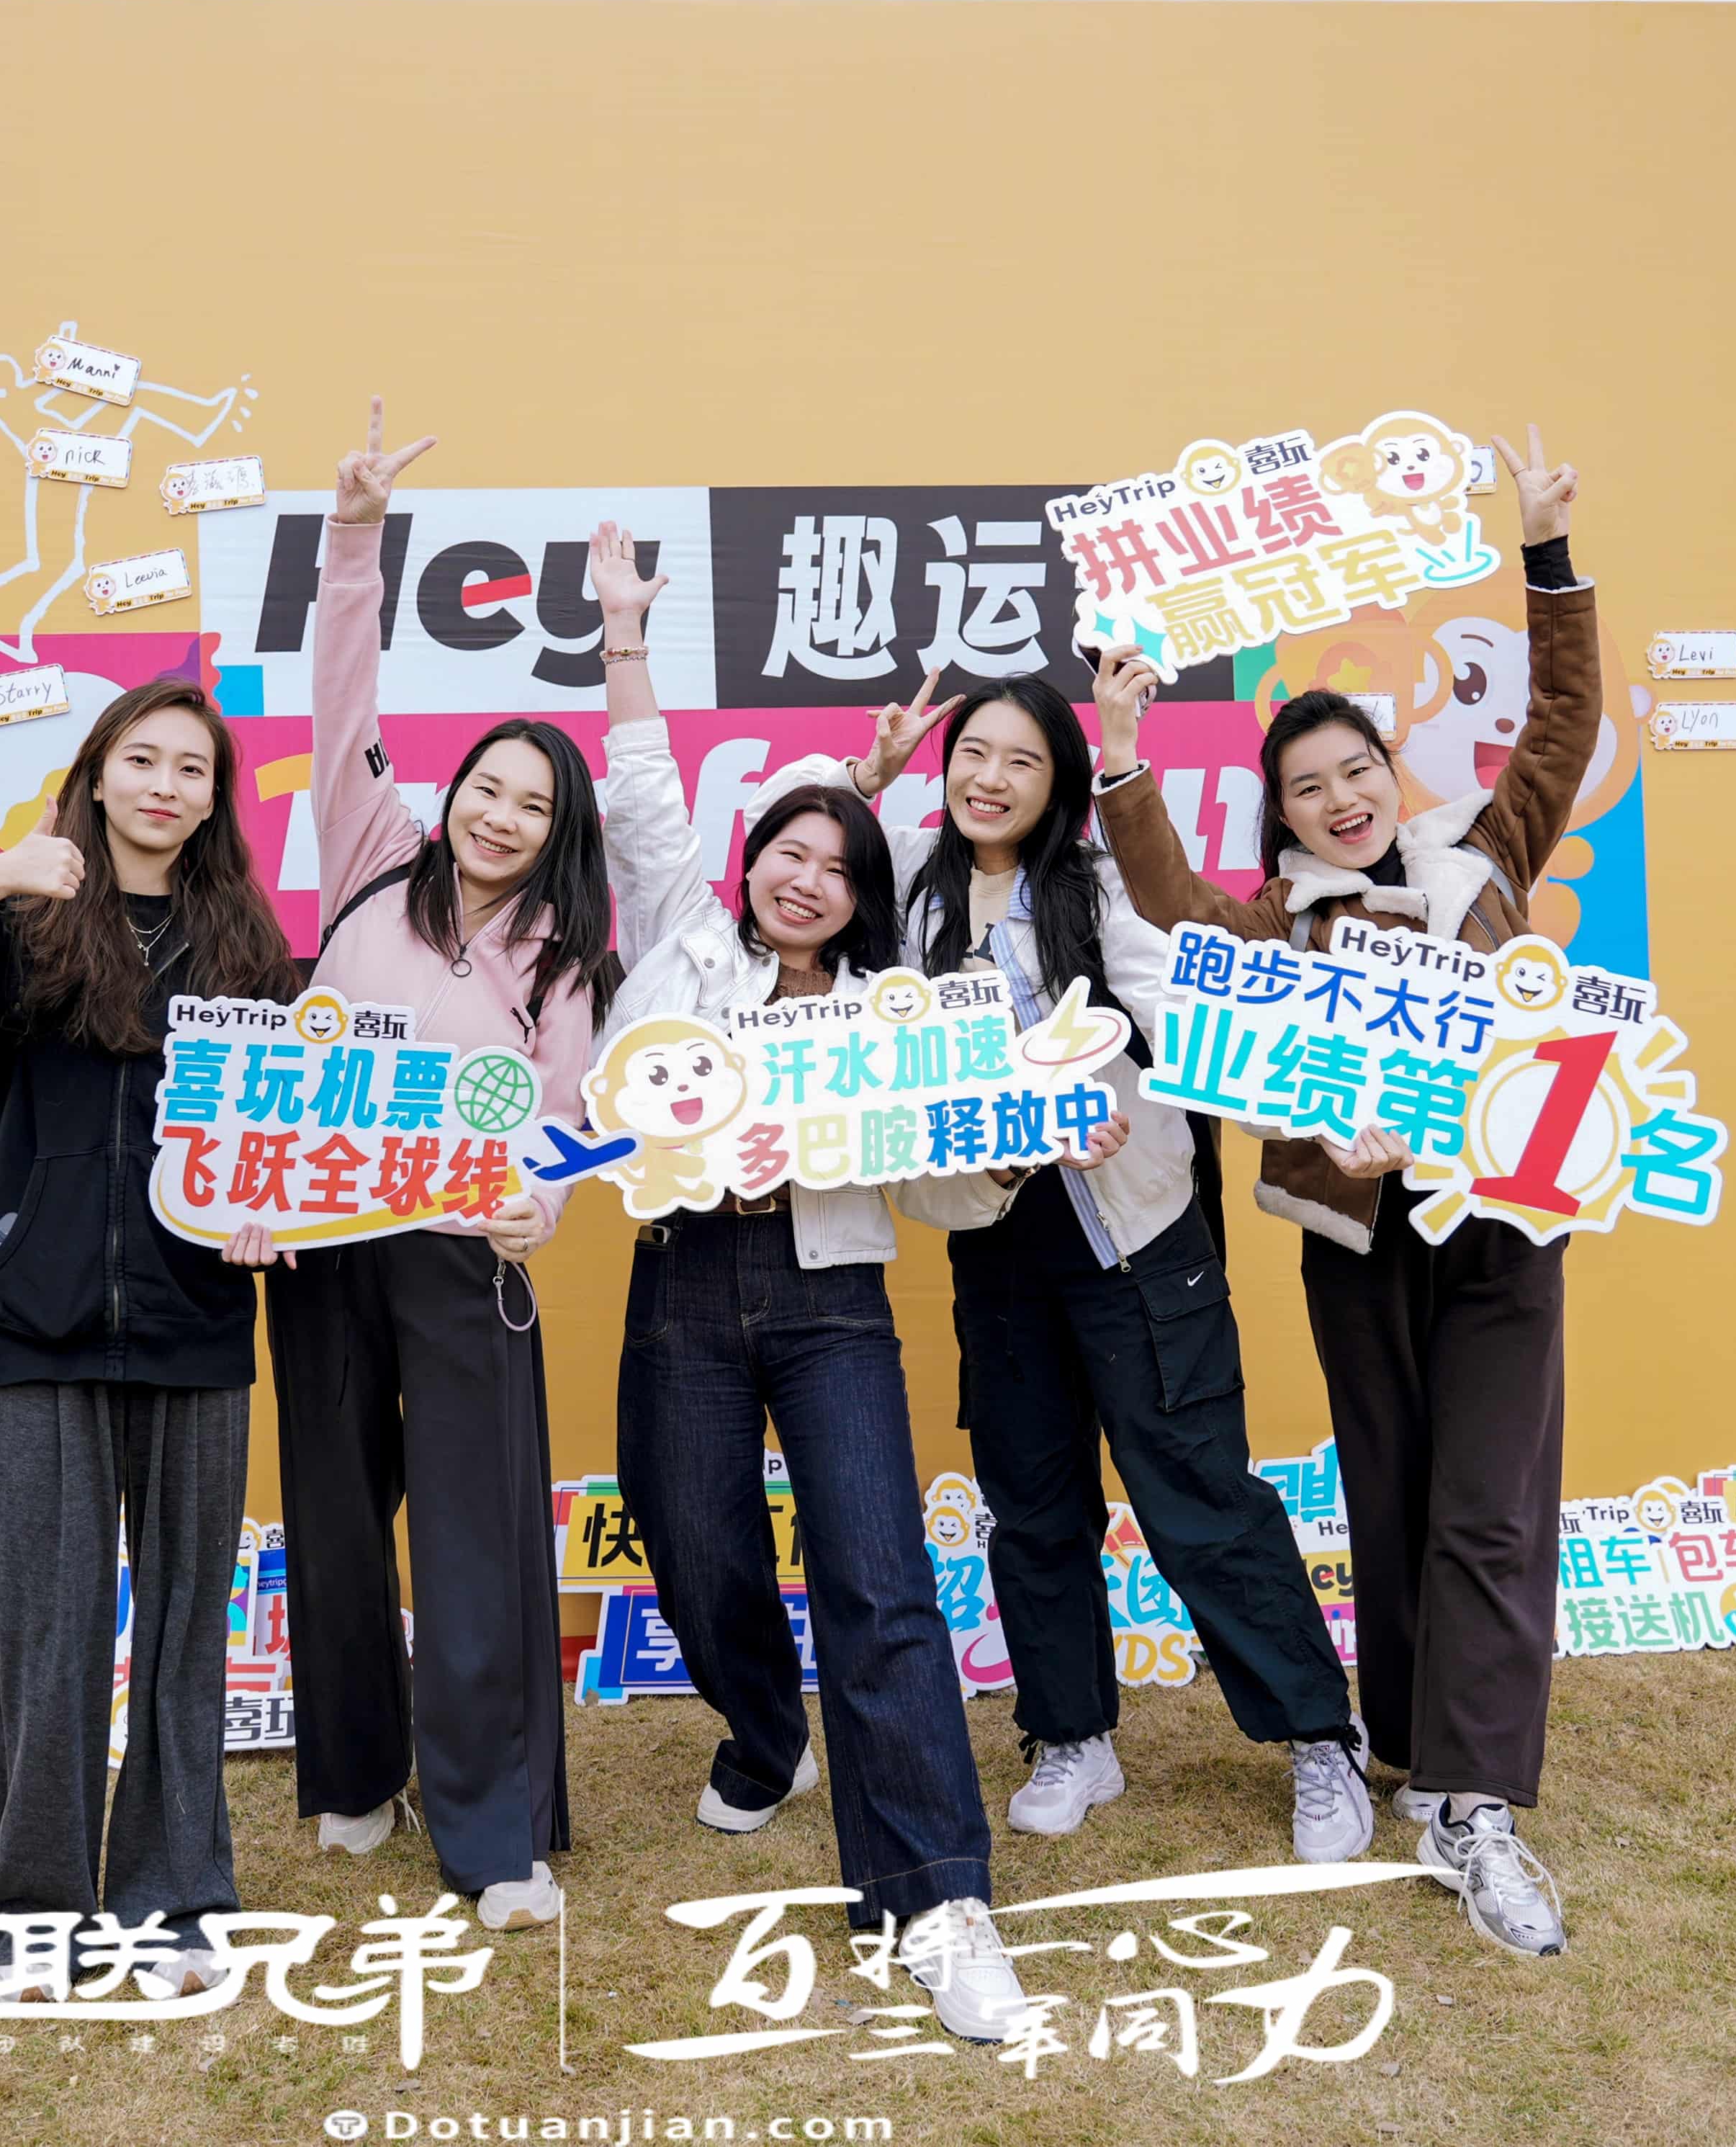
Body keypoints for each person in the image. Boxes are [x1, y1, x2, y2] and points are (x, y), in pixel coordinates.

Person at [586, 520, 1112, 2042]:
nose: (807, 880)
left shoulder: (893, 1010)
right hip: (682, 1283)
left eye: (837, 866)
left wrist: (1020, 1144)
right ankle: (767, 1735)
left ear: (864, 894)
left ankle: (937, 1896)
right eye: (787, 854)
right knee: (694, 1548)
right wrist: (625, 633)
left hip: (830, 1302)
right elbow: (640, 792)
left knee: (880, 1586)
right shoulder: (684, 941)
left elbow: (940, 1188)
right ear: (747, 865)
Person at [1086, 425, 1601, 1958]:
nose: (1339, 800)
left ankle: (1474, 1803)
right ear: (1287, 815)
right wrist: (1120, 756)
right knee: (1393, 1494)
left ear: (1392, 772)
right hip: (1356, 1241)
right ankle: (1407, 1741)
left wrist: (1547, 550)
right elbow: (1167, 901)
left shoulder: (1483, 860)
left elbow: (1562, 721)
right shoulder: (1271, 925)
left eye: (1355, 771)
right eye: (1306, 788)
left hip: (1496, 1225)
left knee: (1490, 1500)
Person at [0, 679, 300, 1998]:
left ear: (215, 800)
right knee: (45, 1632)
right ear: (93, 774)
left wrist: (277, 1209)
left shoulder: (249, 948)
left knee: (188, 1632)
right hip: (32, 1325)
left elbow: (290, 1135)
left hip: (199, 1325)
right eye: (141, 759)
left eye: (193, 768)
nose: (165, 785)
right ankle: (37, 1912)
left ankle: (176, 1899)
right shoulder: (19, 931)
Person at [850, 664, 1372, 1867]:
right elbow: (800, 863)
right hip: (999, 1248)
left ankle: (1317, 1733)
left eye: (1022, 761)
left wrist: (1317, 1104)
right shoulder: (914, 900)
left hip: (1138, 1242)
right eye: (974, 755)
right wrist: (864, 774)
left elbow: (1195, 1020)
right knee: (1033, 1506)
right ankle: (1072, 1734)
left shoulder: (1098, 889)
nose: (990, 779)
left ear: (1061, 783)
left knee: (1199, 1497)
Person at [265, 399, 616, 1932]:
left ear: (556, 832)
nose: (499, 814)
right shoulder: (370, 857)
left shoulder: (563, 953)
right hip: (322, 1233)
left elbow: (573, 1113)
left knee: (478, 1535)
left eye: (533, 804)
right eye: (488, 785)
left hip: (467, 1252)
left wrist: (544, 1196)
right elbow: (341, 686)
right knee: (337, 1507)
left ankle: (494, 1833)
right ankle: (354, 1772)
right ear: (452, 788)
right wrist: (354, 537)